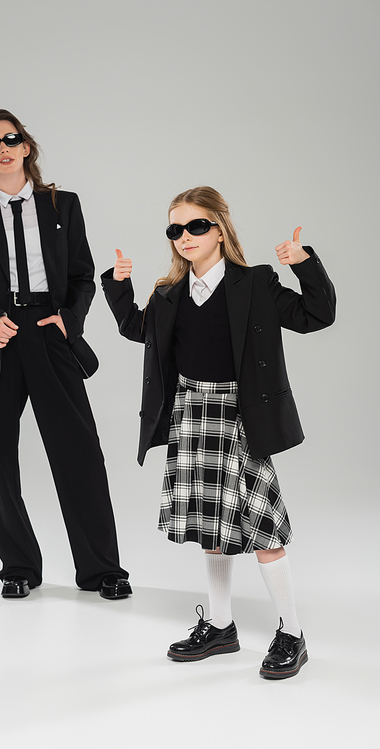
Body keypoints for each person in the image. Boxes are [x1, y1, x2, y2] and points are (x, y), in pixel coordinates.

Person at [101, 186, 335, 678]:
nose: (184, 237)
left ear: (220, 229)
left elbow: (318, 316)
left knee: (263, 527)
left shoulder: (256, 284)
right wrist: (119, 285)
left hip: (241, 414)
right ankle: (222, 626)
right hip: (191, 412)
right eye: (175, 229)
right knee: (211, 525)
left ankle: (292, 632)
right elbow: (136, 329)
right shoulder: (168, 293)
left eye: (195, 226)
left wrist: (303, 262)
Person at [0, 108, 131, 600]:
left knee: (79, 455)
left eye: (11, 139)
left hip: (50, 333)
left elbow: (81, 275)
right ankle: (18, 568)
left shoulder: (62, 205)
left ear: (26, 146)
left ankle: (103, 570)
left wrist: (69, 320)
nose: (3, 148)